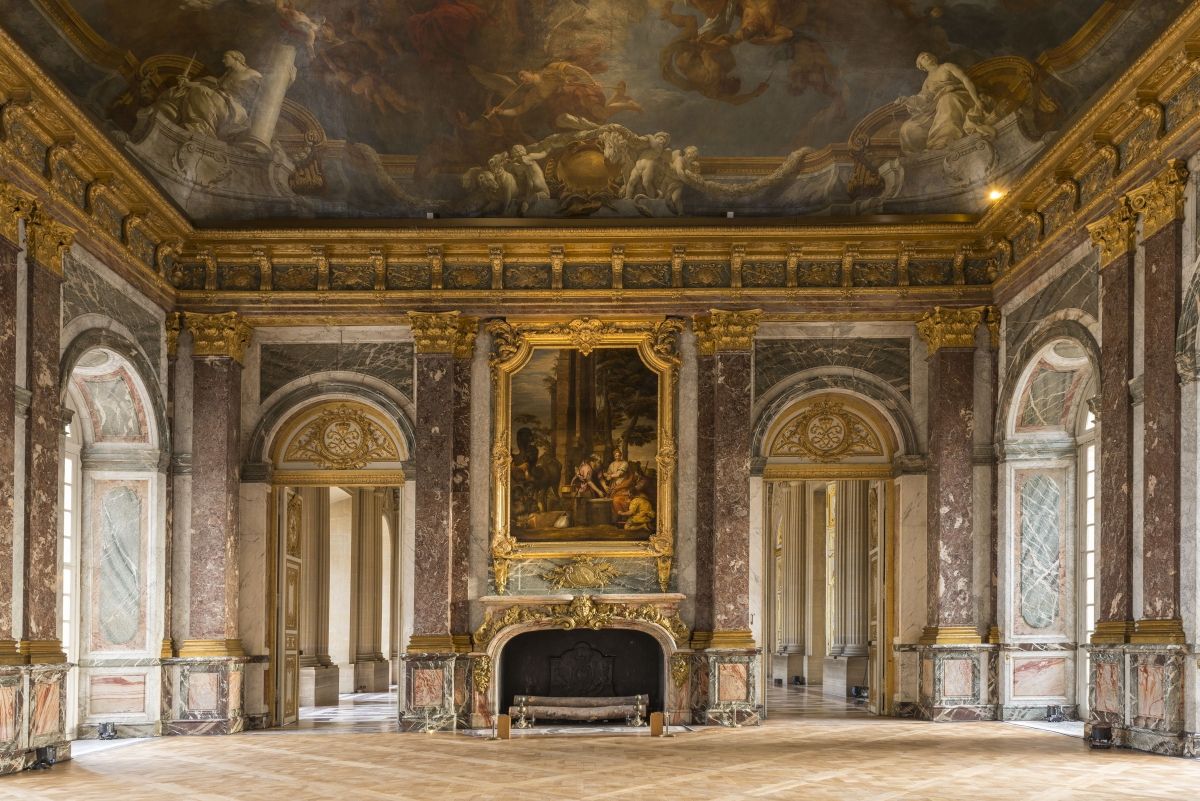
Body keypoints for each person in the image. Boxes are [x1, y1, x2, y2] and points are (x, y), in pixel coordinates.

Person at [898, 52, 994, 155]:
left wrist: (977, 100)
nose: (927, 57)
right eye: (922, 57)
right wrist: (907, 101)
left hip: (961, 96)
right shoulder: (926, 83)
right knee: (908, 127)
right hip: (937, 107)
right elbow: (923, 100)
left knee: (947, 99)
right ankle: (924, 152)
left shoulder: (947, 66)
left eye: (928, 55)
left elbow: (965, 80)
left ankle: (943, 141)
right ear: (921, 66)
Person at [155, 51, 262, 142]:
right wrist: (187, 83)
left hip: (235, 108)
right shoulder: (227, 75)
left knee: (201, 91)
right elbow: (211, 86)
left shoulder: (253, 74)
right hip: (221, 100)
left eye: (226, 58)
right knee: (191, 90)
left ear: (236, 58)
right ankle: (192, 121)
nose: (223, 61)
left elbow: (259, 100)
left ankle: (204, 128)